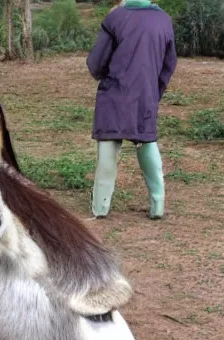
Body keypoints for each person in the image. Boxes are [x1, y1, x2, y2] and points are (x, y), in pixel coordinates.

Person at [86, 0, 177, 220]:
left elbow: (96, 63)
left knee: (108, 148)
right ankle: (158, 204)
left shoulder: (116, 17)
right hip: (146, 94)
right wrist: (154, 93)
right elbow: (169, 63)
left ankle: (100, 208)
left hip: (114, 95)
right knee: (147, 143)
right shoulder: (164, 20)